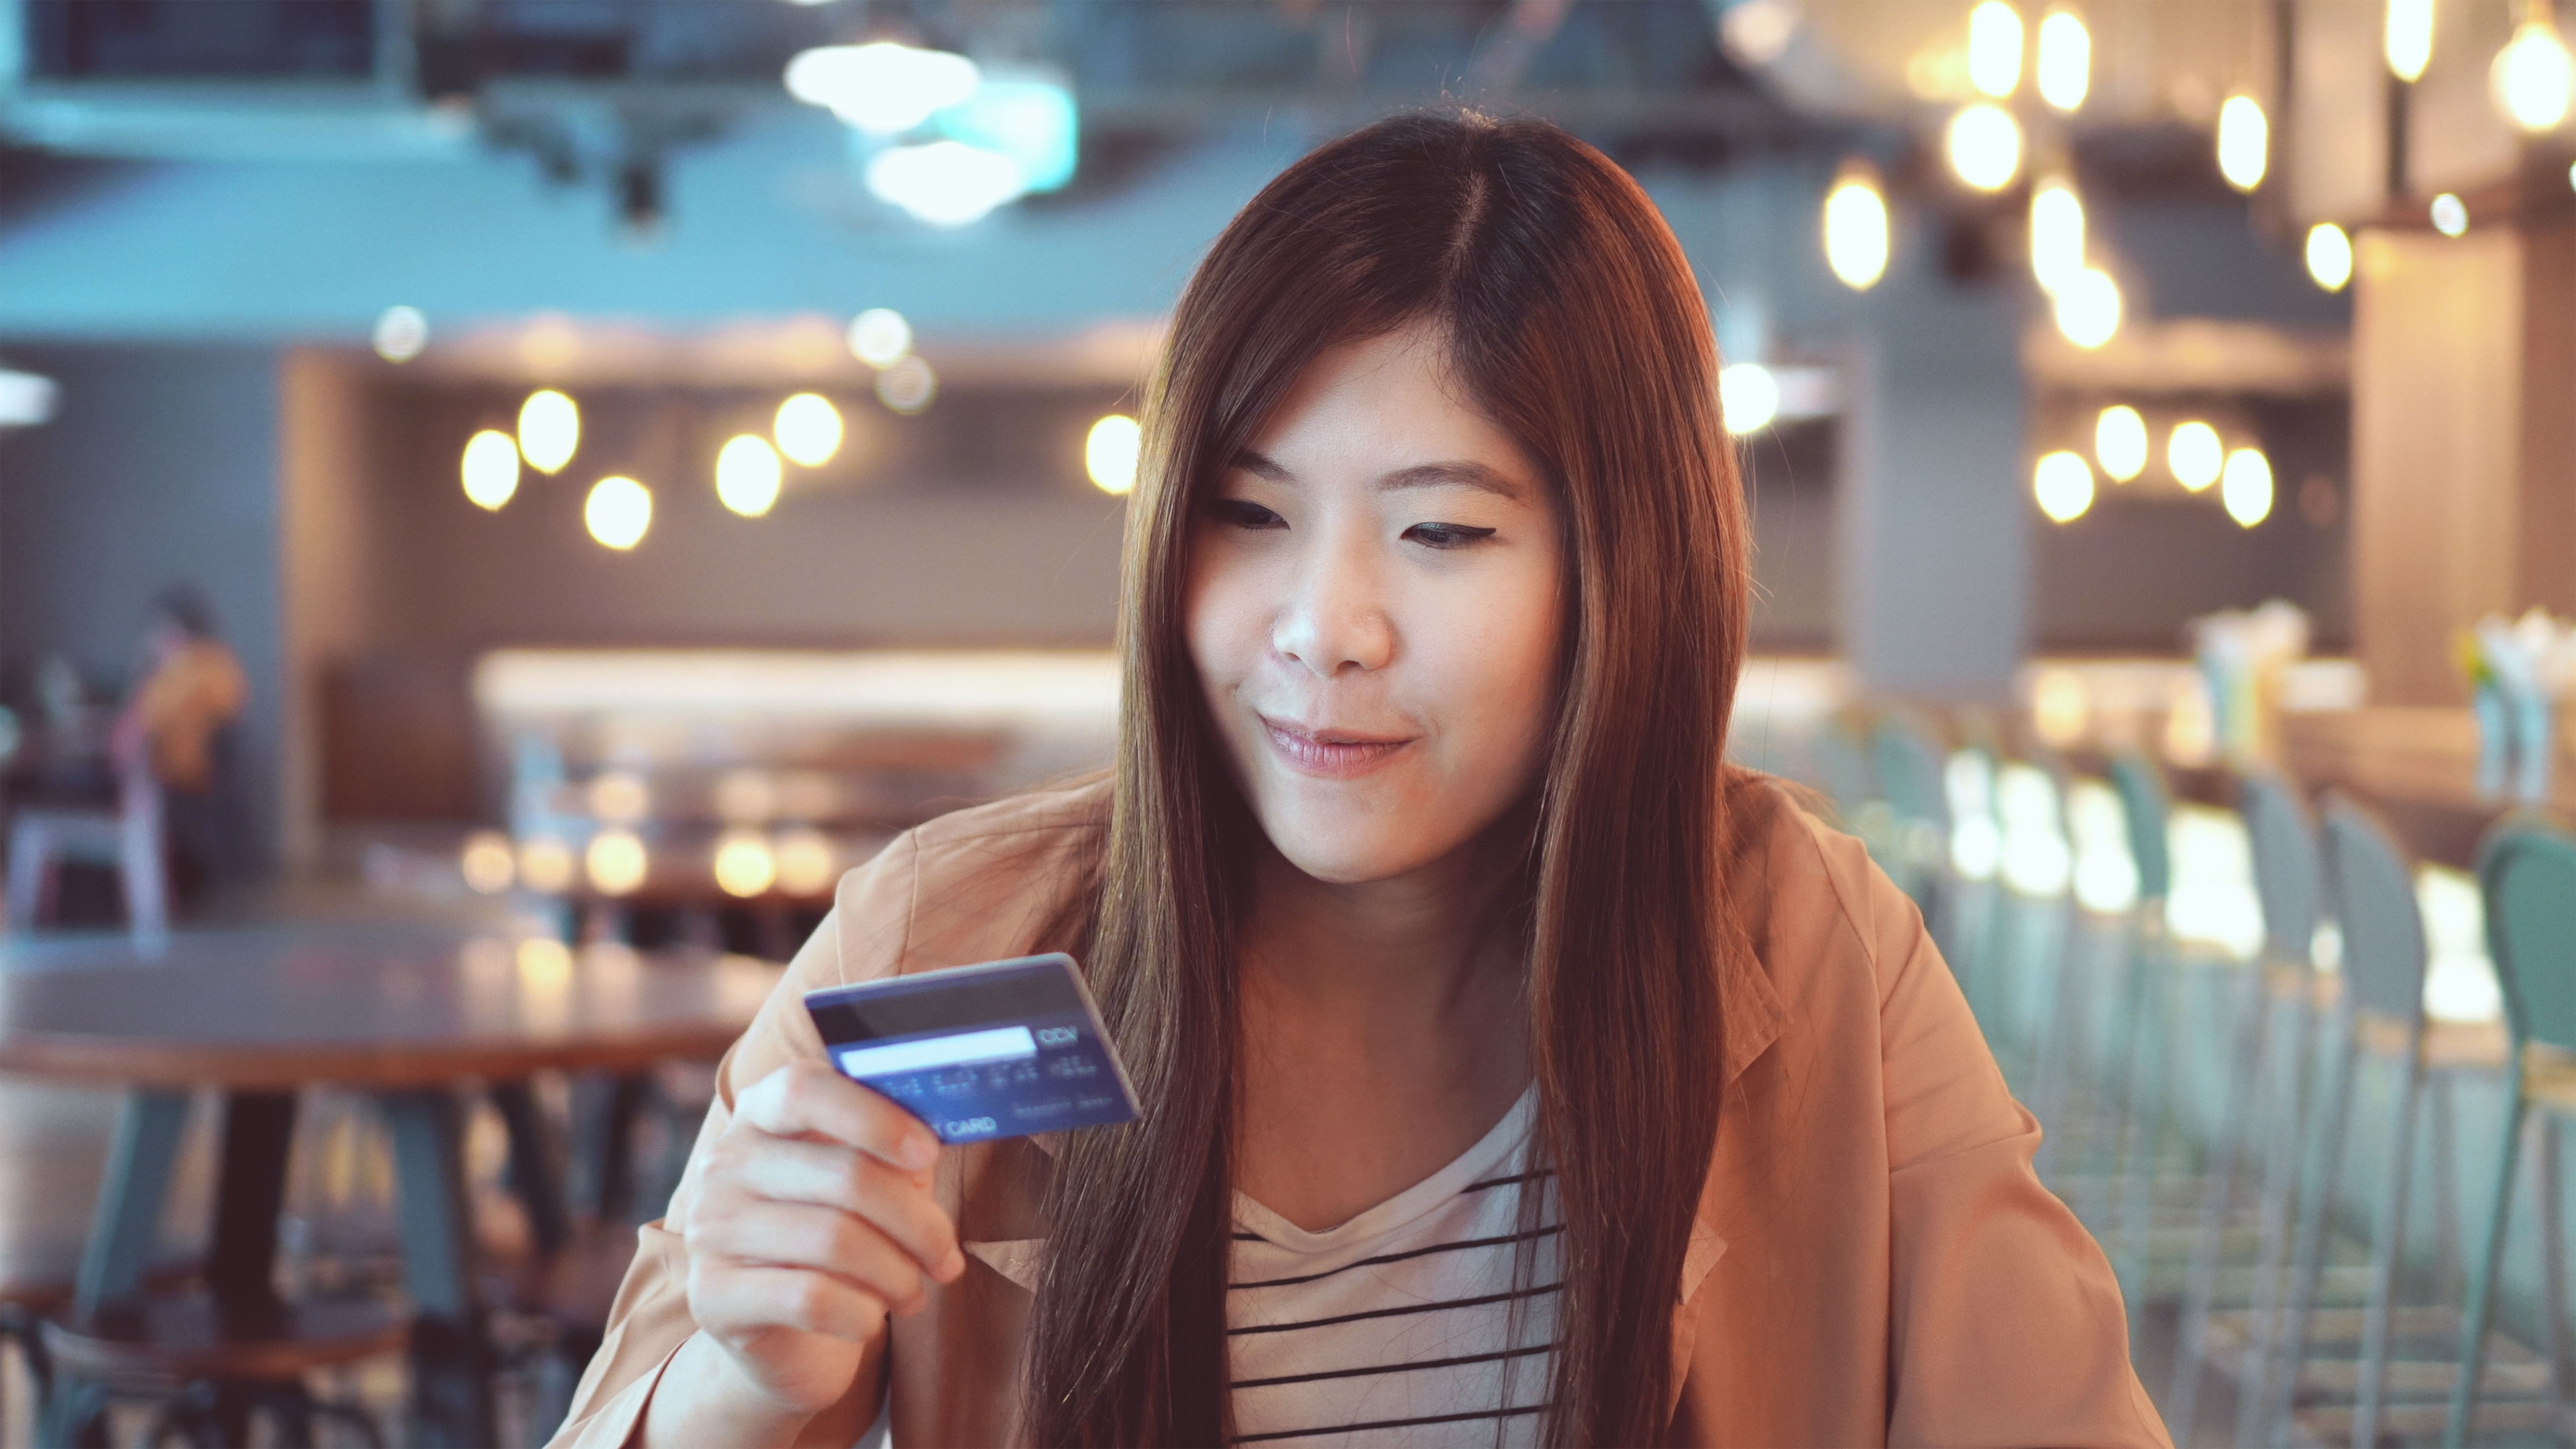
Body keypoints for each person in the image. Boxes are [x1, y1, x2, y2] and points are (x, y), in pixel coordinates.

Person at [555, 113, 2169, 1448]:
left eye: (1441, 530)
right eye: (1248, 514)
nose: (1320, 627)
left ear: (1622, 570)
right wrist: (747, 1388)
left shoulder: (1808, 943)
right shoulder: (944, 935)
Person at [109, 585, 248, 900]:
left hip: (178, 777)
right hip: (191, 777)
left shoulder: (188, 671)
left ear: (172, 631)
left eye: (156, 632)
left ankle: (134, 892)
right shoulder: (218, 666)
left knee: (88, 789)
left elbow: (145, 722)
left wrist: (144, 674)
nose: (152, 641)